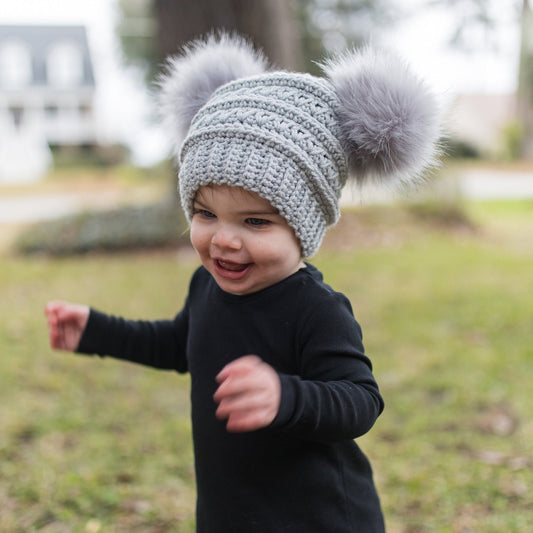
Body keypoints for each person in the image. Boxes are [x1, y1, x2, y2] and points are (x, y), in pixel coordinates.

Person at [45, 34, 440, 533]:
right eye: (206, 214)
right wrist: (97, 331)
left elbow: (361, 400)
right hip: (232, 509)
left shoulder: (316, 310)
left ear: (305, 225)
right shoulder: (206, 286)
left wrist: (286, 396)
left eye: (255, 222)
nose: (223, 241)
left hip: (316, 518)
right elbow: (179, 344)